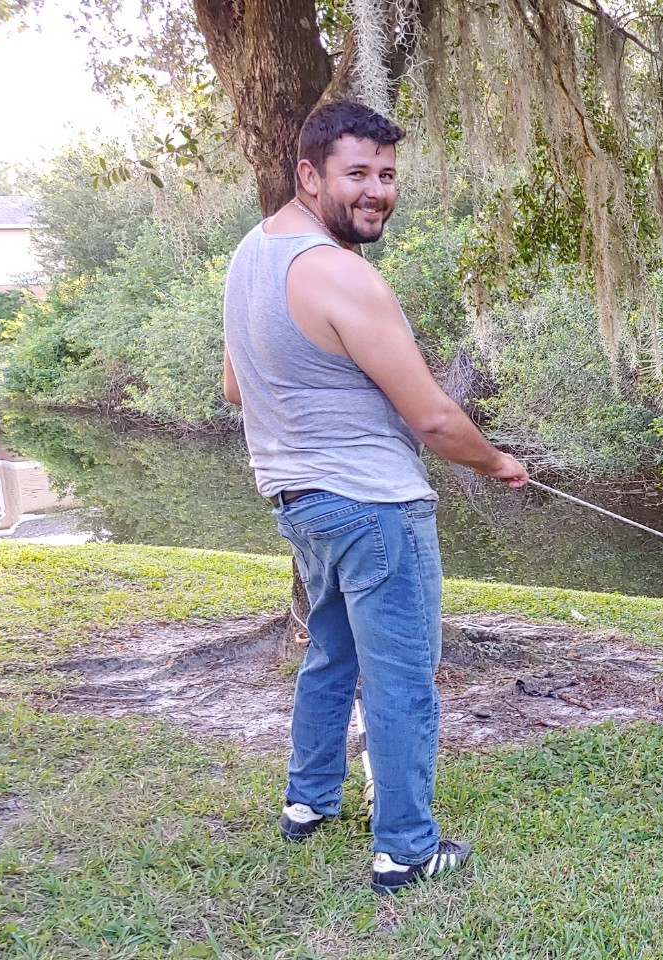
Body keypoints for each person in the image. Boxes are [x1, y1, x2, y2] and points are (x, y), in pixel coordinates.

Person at [221, 99, 529, 895]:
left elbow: (235, 387)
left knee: (332, 652)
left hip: (301, 504)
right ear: (309, 174)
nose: (377, 191)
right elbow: (433, 418)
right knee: (401, 679)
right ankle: (405, 850)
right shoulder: (343, 273)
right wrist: (495, 461)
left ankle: (308, 802)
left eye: (387, 175)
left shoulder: (251, 255)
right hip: (374, 507)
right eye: (356, 173)